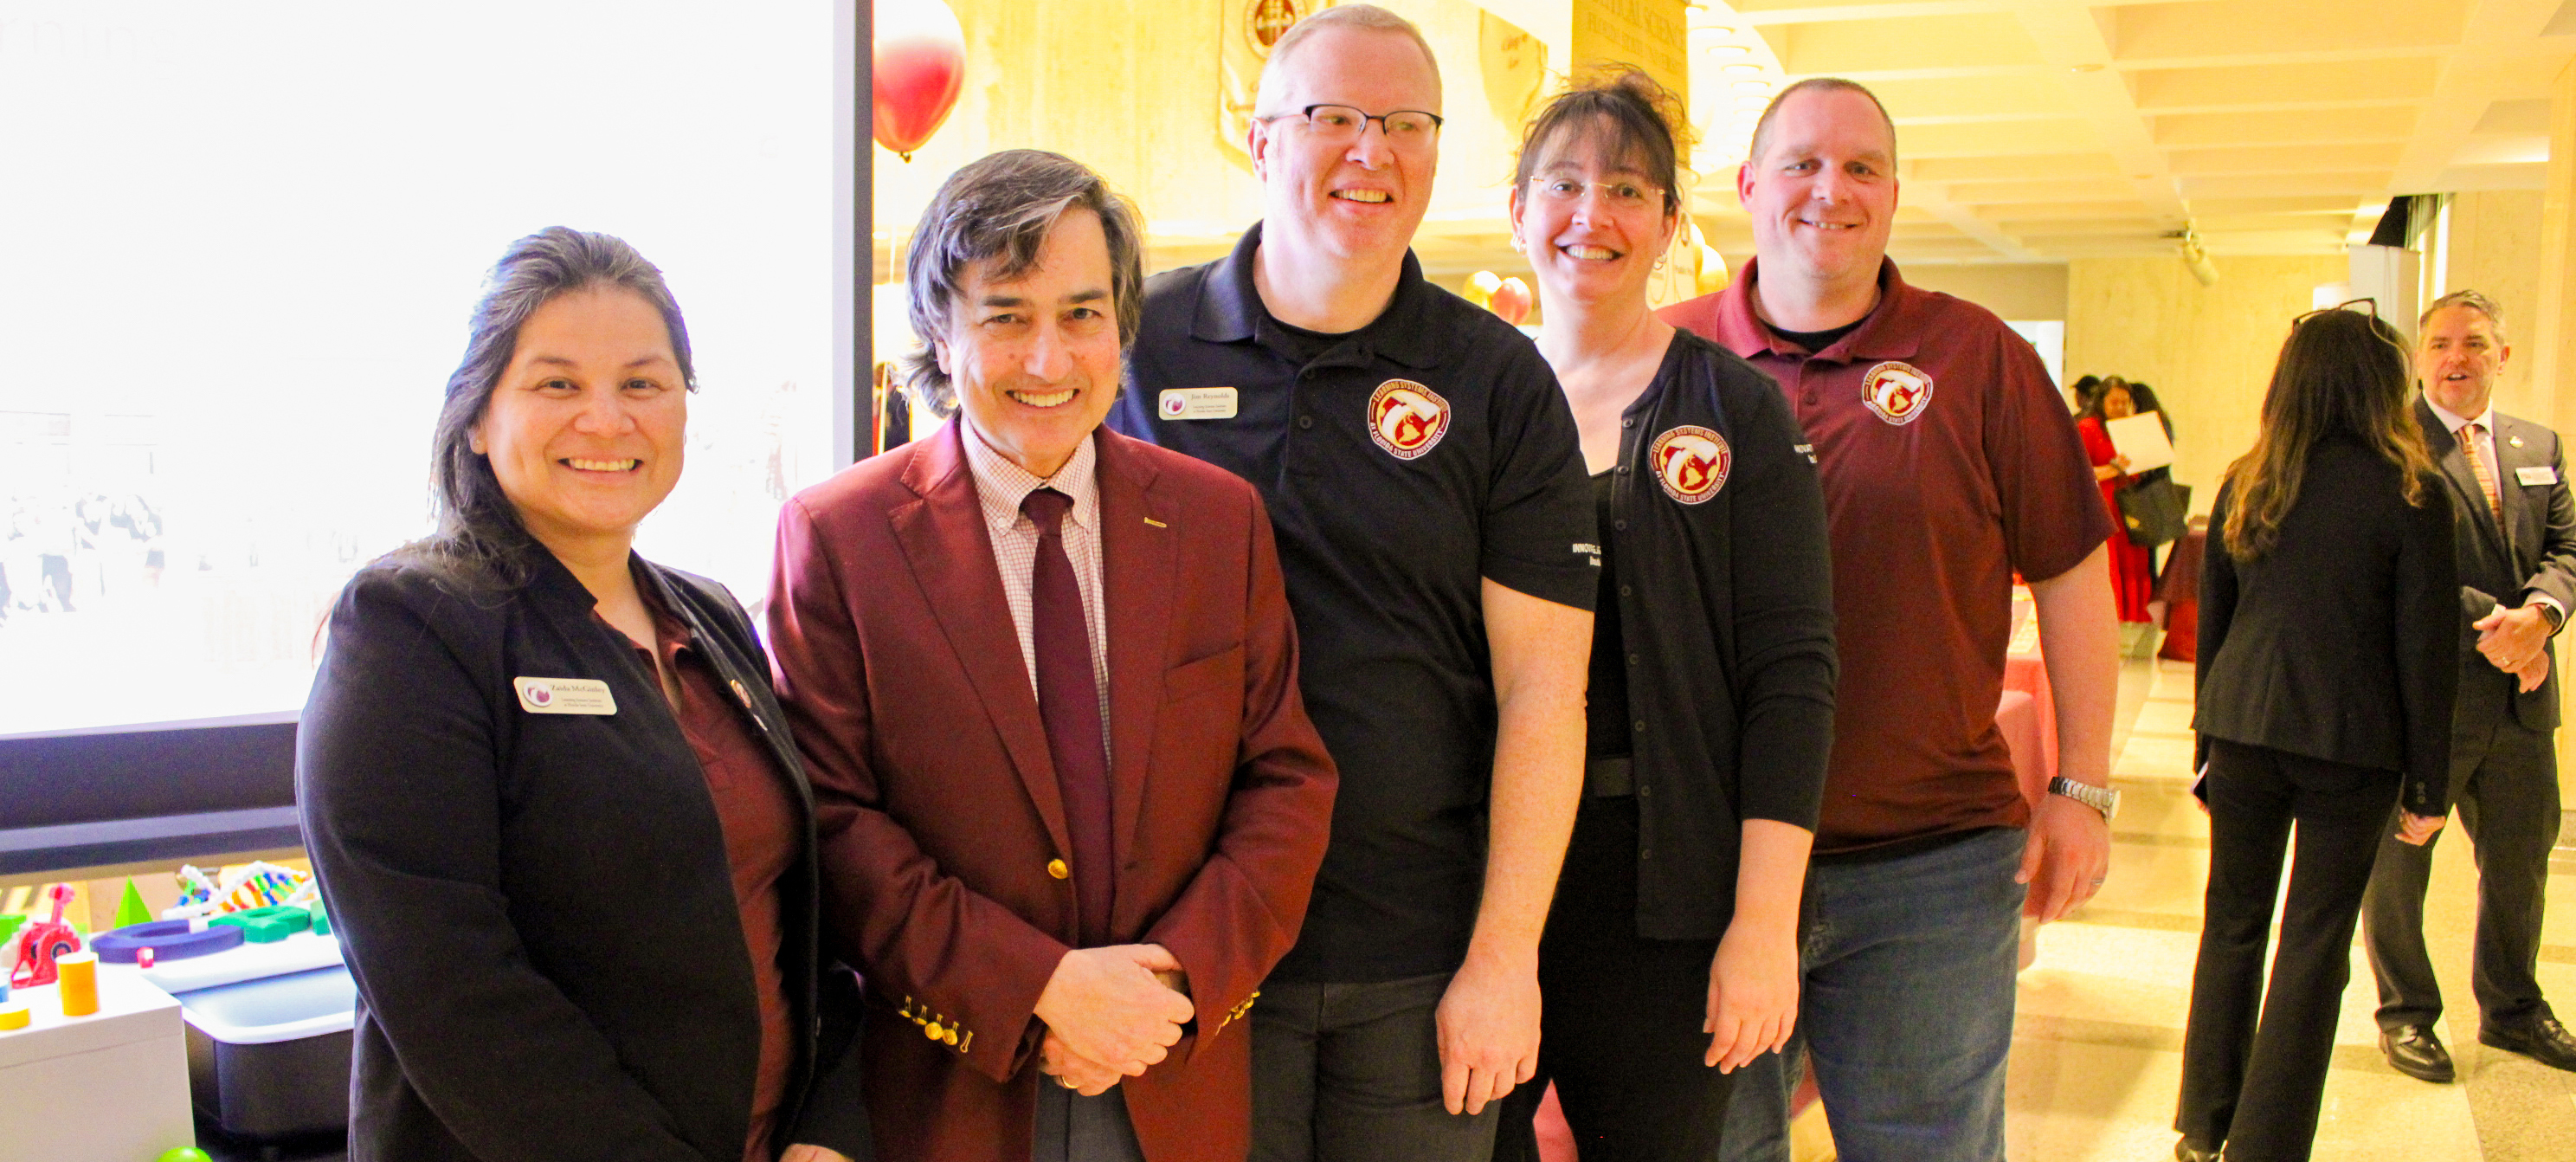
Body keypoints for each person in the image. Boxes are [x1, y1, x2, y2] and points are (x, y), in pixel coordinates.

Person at [767, 149, 1340, 1162]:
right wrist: (1038, 988)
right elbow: (835, 820)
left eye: (1081, 315)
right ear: (940, 333)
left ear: (1122, 328)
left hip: (1174, 1071)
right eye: (1005, 316)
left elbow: (1287, 778)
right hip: (953, 1085)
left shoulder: (1218, 520)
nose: (1047, 359)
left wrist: (1169, 979)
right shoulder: (838, 537)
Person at [1108, 8, 1599, 1160]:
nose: (1371, 150)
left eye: (1407, 124)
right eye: (1334, 116)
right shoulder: (1141, 343)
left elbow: (1544, 693)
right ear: (1262, 139)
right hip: (1188, 946)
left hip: (1418, 956)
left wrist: (1503, 955)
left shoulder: (1498, 381)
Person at [298, 228, 865, 1162]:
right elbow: (452, 990)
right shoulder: (411, 627)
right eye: (557, 384)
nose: (606, 419)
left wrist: (829, 1131)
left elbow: (805, 921)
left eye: (642, 383)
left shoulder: (714, 619)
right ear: (478, 418)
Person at [1660, 76, 2122, 1162]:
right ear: (1748, 185)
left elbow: (2072, 576)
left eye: (1863, 167)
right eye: (1805, 163)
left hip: (1931, 870)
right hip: (1702, 868)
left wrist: (2083, 787)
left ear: (1896, 194)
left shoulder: (1980, 359)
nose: (1834, 189)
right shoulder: (1667, 358)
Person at [1478, 72, 1835, 1162]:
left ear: (1673, 226)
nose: (1594, 216)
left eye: (1630, 190)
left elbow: (1793, 674)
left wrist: (1763, 926)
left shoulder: (1733, 407)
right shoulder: (1465, 402)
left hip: (1663, 897)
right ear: (1520, 209)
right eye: (1565, 184)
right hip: (1473, 891)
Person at [2176, 305, 2457, 1162]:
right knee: (2313, 941)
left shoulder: (2248, 479)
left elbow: (2213, 625)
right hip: (2354, 743)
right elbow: (2426, 648)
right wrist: (2428, 783)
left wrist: (2205, 747)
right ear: (2385, 383)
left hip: (2244, 734)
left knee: (2231, 921)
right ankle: (2267, 1146)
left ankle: (2203, 1122)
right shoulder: (2411, 491)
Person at [2361, 289, 2576, 1081]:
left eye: (2476, 344)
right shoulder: (2391, 446)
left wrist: (2546, 613)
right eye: (2444, 343)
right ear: (2421, 358)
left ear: (2502, 355)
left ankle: (2513, 1009)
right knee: (2400, 862)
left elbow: (2567, 547)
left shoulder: (2538, 442)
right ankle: (2406, 1014)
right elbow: (2397, 571)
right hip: (2430, 696)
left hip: (2522, 703)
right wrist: (2508, 627)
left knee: (2522, 858)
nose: (2459, 358)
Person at [2075, 378, 2167, 623]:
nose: (2119, 407)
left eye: (2124, 402)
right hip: (2103, 506)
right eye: (2114, 402)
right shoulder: (2088, 427)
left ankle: (2133, 615)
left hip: (2129, 503)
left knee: (2134, 562)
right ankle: (2110, 617)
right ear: (2102, 401)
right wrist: (2114, 469)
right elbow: (2080, 470)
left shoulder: (2130, 427)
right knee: (2110, 565)